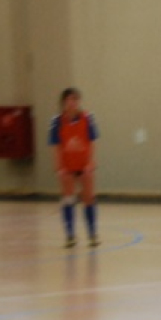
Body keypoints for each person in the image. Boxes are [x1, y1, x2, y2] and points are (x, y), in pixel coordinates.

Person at [48, 88, 99, 247]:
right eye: (69, 99)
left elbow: (92, 142)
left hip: (84, 165)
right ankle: (70, 235)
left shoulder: (88, 118)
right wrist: (59, 168)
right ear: (64, 102)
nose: (73, 103)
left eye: (75, 99)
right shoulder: (57, 121)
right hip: (67, 165)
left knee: (88, 197)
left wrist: (90, 163)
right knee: (68, 198)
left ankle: (92, 234)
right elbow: (56, 146)